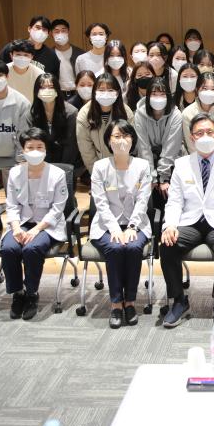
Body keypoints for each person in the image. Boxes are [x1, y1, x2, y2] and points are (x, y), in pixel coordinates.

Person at [160, 114, 214, 330]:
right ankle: (179, 300)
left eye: (210, 132)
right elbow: (175, 201)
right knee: (167, 244)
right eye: (199, 133)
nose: (205, 136)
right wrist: (169, 225)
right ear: (192, 137)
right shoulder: (181, 164)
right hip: (190, 221)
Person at [1, 128, 69, 321]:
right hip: (21, 223)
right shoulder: (15, 172)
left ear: (46, 149)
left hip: (47, 225)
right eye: (30, 147)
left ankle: (31, 294)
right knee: (8, 248)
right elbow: (11, 205)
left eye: (40, 147)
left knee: (32, 249)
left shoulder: (57, 174)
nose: (35, 151)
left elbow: (58, 208)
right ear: (23, 150)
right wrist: (16, 228)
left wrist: (36, 230)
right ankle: (17, 293)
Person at [89, 120, 152, 328]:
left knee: (133, 247)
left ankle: (130, 302)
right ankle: (116, 304)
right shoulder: (100, 167)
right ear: (109, 140)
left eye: (126, 136)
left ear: (133, 140)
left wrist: (132, 227)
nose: (122, 141)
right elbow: (100, 202)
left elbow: (143, 200)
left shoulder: (142, 166)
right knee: (115, 248)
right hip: (106, 225)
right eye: (117, 136)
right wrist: (115, 229)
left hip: (137, 223)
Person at [133, 77, 183, 204]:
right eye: (154, 94)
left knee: (168, 193)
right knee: (145, 192)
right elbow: (143, 148)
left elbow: (171, 147)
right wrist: (151, 177)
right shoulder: (139, 115)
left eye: (162, 94)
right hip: (147, 162)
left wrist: (163, 177)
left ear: (168, 96)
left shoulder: (176, 115)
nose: (158, 98)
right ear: (148, 96)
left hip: (170, 163)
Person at [75, 73, 134, 173]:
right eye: (101, 90)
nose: (106, 94)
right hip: (97, 165)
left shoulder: (126, 112)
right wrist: (96, 173)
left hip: (123, 165)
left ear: (117, 93)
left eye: (110, 90)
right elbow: (86, 151)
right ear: (94, 92)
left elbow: (130, 144)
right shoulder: (84, 114)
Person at [23, 73, 79, 167]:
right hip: (39, 162)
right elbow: (29, 141)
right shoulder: (30, 114)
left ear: (57, 90)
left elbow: (71, 145)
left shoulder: (71, 113)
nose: (47, 90)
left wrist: (63, 167)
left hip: (66, 163)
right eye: (42, 87)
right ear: (36, 91)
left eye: (51, 87)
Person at [50, 18, 84, 99]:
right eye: (56, 31)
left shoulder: (80, 53)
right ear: (51, 34)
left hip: (77, 94)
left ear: (68, 32)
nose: (60, 34)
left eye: (63, 30)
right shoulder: (49, 54)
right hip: (57, 94)